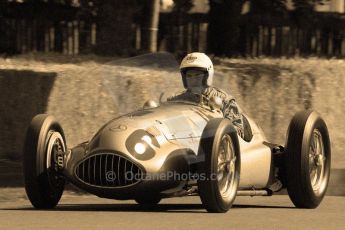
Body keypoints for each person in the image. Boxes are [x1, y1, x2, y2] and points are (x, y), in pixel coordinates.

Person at [168, 52, 244, 138]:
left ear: (207, 76)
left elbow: (238, 131)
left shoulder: (224, 100)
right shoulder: (177, 100)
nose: (193, 80)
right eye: (189, 76)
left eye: (197, 75)